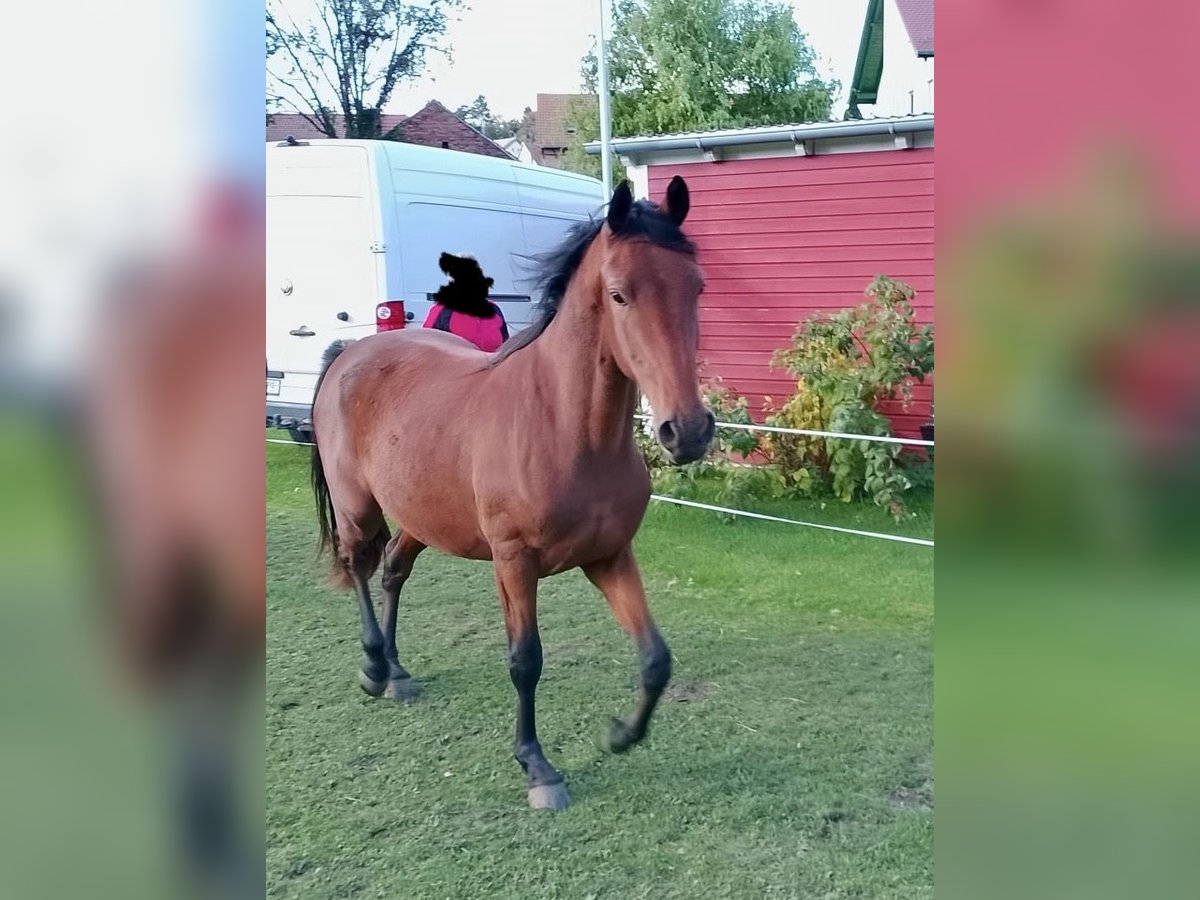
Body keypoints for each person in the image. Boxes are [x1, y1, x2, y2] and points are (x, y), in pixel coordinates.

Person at [423, 252, 509, 352]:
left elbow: (505, 345)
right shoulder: (441, 311)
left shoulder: (494, 309)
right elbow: (427, 349)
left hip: (492, 365)